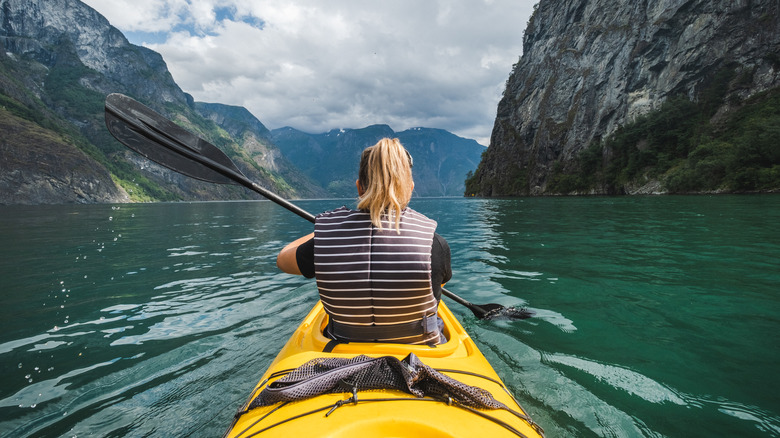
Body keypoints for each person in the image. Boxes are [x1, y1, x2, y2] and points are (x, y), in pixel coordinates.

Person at [277, 138, 452, 345]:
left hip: (342, 356)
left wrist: (324, 231)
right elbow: (440, 282)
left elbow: (283, 260)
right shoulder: (435, 244)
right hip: (423, 357)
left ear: (359, 187)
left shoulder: (325, 241)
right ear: (410, 188)